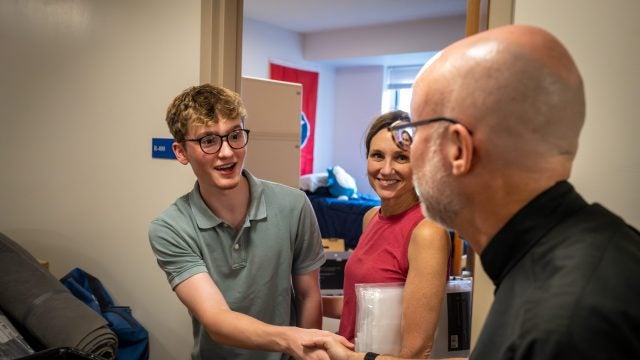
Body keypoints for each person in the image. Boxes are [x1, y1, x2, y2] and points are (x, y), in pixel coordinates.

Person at [306, 24, 640, 360]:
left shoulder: (563, 322)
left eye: (412, 136)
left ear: (458, 149)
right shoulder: (578, 256)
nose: (397, 163)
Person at [148, 84, 351, 360]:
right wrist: (290, 338)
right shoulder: (171, 228)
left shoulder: (294, 205)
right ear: (181, 152)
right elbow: (216, 319)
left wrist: (309, 350)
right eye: (208, 140)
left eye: (235, 135)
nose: (227, 152)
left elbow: (307, 295)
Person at [326, 110, 450, 358]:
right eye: (377, 156)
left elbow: (415, 353)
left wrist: (347, 357)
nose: (386, 169)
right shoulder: (371, 217)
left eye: (401, 158)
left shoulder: (427, 232)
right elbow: (360, 305)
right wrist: (300, 298)